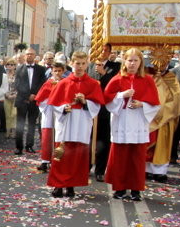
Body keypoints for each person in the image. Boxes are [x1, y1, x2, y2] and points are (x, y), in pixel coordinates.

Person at [45, 51, 105, 198]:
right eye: (77, 63)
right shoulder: (63, 83)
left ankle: (71, 186)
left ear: (87, 64)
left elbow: (96, 105)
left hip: (82, 123)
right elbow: (53, 105)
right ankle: (58, 186)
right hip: (66, 122)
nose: (79, 67)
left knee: (77, 156)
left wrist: (86, 102)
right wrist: (63, 108)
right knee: (62, 154)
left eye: (83, 63)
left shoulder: (92, 84)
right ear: (71, 64)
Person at [104, 48, 160, 200]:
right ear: (124, 61)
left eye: (136, 60)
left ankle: (136, 189)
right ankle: (120, 188)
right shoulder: (117, 79)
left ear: (141, 62)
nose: (132, 63)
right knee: (120, 157)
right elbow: (107, 100)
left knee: (137, 158)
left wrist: (142, 104)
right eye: (130, 60)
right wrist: (122, 95)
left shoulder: (148, 80)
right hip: (122, 122)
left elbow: (155, 104)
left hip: (138, 123)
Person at [146, 59, 180, 182]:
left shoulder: (171, 78)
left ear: (167, 61)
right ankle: (146, 169)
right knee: (147, 144)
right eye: (157, 61)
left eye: (163, 61)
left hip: (165, 117)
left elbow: (178, 98)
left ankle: (160, 172)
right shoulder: (147, 75)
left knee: (162, 144)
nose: (160, 64)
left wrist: (163, 111)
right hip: (149, 116)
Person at [13, 48, 47, 155]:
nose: (29, 56)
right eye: (27, 54)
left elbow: (42, 84)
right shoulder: (19, 68)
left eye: (31, 54)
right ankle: (19, 147)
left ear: (35, 56)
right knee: (20, 125)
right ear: (24, 56)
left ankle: (29, 146)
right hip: (22, 100)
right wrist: (28, 95)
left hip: (35, 100)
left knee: (32, 124)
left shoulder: (41, 69)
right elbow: (17, 84)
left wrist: (34, 94)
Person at [34, 62, 65, 172]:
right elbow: (40, 98)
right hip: (49, 110)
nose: (57, 73)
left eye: (59, 71)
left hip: (61, 112)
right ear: (52, 71)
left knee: (59, 135)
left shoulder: (65, 83)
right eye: (55, 71)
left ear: (63, 71)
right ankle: (45, 161)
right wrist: (49, 101)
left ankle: (56, 159)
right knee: (47, 135)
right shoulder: (48, 83)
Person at [92, 57, 119, 182]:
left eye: (105, 51)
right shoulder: (87, 65)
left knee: (103, 142)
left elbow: (115, 86)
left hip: (104, 110)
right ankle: (86, 166)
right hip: (88, 109)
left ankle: (100, 170)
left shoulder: (115, 67)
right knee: (87, 141)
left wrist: (104, 74)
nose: (102, 53)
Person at [2, 57, 18, 138]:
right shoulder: (4, 75)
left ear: (15, 66)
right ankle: (8, 131)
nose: (10, 66)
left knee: (14, 114)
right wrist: (6, 94)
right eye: (8, 64)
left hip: (16, 96)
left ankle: (13, 131)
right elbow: (2, 86)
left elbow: (20, 86)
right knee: (7, 114)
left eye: (12, 64)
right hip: (6, 96)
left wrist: (16, 95)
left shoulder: (18, 75)